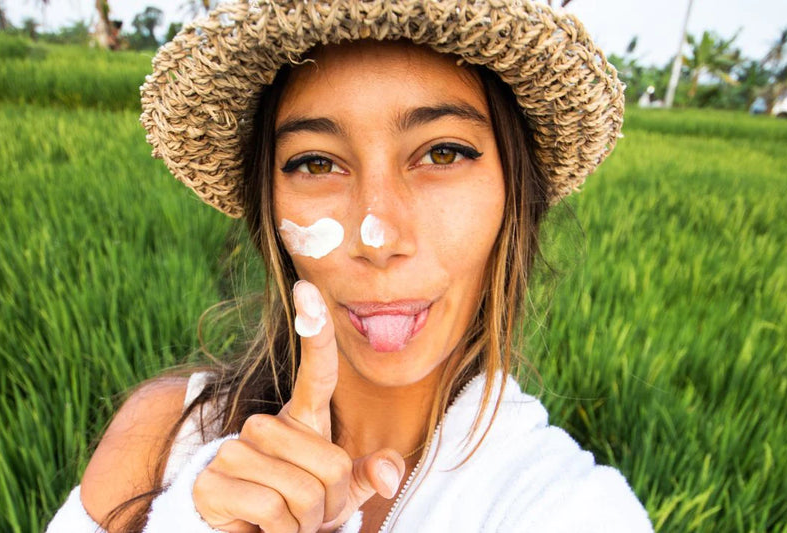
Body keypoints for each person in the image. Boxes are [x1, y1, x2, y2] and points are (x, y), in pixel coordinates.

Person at [48, 1, 652, 531]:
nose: (378, 236)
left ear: (512, 197)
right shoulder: (162, 438)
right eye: (316, 163)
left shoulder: (565, 509)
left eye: (442, 153)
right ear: (269, 208)